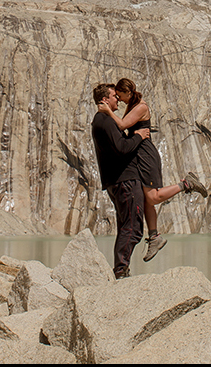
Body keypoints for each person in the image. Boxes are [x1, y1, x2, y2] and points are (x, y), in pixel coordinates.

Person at [99, 77, 208, 262]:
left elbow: (122, 125)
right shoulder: (131, 105)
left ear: (128, 92)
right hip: (137, 155)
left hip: (146, 155)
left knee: (153, 197)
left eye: (120, 95)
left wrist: (108, 111)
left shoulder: (141, 107)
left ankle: (186, 184)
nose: (119, 99)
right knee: (145, 199)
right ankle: (154, 236)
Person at [90, 82, 150, 278]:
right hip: (125, 180)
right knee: (133, 227)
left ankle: (121, 268)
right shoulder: (105, 121)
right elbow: (122, 147)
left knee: (127, 226)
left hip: (117, 181)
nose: (118, 99)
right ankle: (121, 270)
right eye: (114, 96)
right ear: (105, 99)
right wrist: (139, 136)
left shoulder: (101, 120)